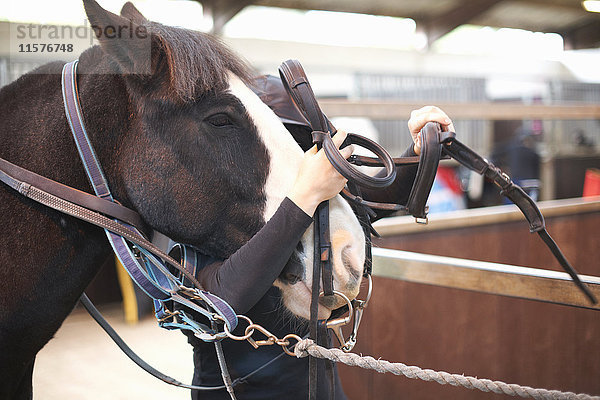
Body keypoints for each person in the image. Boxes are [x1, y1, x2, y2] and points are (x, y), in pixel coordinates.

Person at [183, 75, 454, 400]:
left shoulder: (311, 201)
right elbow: (219, 298)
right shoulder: (200, 214)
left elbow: (370, 205)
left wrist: (420, 151)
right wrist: (304, 196)